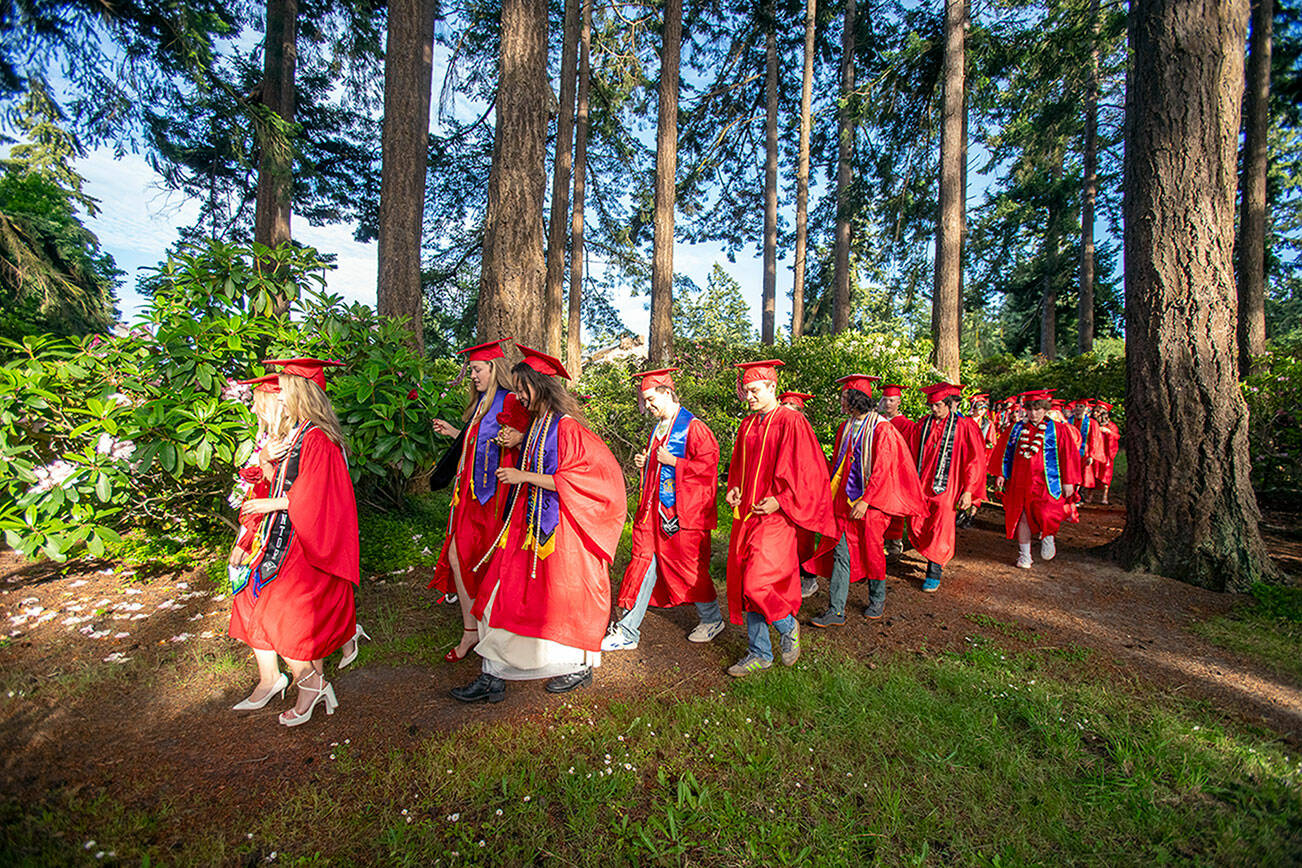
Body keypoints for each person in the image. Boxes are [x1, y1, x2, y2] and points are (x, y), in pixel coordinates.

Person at [452, 345, 627, 702]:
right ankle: (494, 673)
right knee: (501, 593)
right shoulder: (537, 425)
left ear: (540, 386)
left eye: (522, 388)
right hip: (526, 525)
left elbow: (589, 479)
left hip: (559, 531)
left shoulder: (568, 428)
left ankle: (574, 666)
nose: (517, 395)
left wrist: (523, 476)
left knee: (558, 598)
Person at [232, 358, 361, 726]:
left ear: (301, 393)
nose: (278, 395)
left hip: (301, 541)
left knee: (284, 616)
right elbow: (286, 482)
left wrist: (272, 501)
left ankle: (312, 683)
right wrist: (266, 463)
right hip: (284, 536)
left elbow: (320, 495)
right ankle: (309, 684)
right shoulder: (302, 433)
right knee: (285, 614)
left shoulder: (318, 437)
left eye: (285, 388)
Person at [724, 360, 835, 676]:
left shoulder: (792, 421)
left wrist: (782, 500)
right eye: (746, 391)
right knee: (747, 584)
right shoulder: (748, 424)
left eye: (755, 390)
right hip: (746, 515)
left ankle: (788, 625)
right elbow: (739, 466)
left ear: (772, 387)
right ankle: (760, 652)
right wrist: (734, 487)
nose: (749, 397)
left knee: (757, 582)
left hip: (776, 519)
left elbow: (809, 472)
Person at [603, 368, 724, 652]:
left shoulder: (694, 428)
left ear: (667, 393)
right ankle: (628, 630)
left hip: (682, 516)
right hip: (653, 514)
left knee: (688, 570)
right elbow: (661, 465)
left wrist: (674, 462)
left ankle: (712, 618)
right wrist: (648, 463)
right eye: (644, 401)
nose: (647, 406)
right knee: (642, 562)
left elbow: (708, 470)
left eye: (650, 399)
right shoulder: (659, 428)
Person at [428, 338, 521, 663]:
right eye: (471, 371)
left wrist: (517, 438)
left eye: (477, 370)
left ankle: (493, 629)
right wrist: (457, 433)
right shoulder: (479, 403)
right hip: (468, 497)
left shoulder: (511, 401)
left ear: (493, 369)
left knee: (486, 560)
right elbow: (478, 445)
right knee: (457, 557)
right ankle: (471, 630)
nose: (473, 376)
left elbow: (520, 444)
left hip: (496, 498)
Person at [806, 375, 924, 625]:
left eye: (843, 397)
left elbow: (883, 470)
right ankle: (835, 610)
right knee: (840, 552)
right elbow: (839, 463)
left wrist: (866, 501)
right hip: (843, 503)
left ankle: (877, 597)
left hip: (871, 506)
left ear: (855, 400)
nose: (841, 401)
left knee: (872, 551)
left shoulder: (882, 429)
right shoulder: (845, 427)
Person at [988, 389, 1083, 568]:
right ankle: (1025, 556)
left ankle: (1048, 536)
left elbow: (1068, 455)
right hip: (1020, 480)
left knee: (1047, 512)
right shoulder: (1016, 429)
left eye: (1038, 409)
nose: (1034, 413)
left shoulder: (1058, 429)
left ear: (1045, 409)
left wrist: (1068, 480)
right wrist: (1001, 473)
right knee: (1021, 516)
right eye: (1030, 409)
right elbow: (1004, 452)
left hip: (1047, 482)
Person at [907, 383, 987, 592]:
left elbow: (975, 460)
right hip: (921, 482)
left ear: (950, 405)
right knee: (917, 522)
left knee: (941, 524)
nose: (934, 409)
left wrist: (968, 490)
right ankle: (931, 555)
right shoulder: (923, 424)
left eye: (938, 405)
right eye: (931, 405)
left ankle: (934, 571)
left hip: (948, 484)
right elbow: (911, 452)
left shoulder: (965, 425)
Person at [778, 390, 821, 597]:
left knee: (803, 540)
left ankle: (809, 578)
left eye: (791, 410)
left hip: (802, 494)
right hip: (782, 495)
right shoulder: (778, 429)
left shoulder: (804, 432)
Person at [878, 384, 914, 558]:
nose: (888, 403)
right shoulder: (878, 420)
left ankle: (894, 544)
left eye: (891, 400)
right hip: (879, 472)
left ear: (899, 402)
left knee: (895, 508)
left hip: (897, 473)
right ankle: (879, 543)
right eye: (885, 400)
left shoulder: (906, 424)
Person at [1069, 400, 1106, 499]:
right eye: (1076, 406)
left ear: (1086, 409)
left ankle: (1079, 494)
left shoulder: (1092, 423)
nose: (1078, 409)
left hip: (1084, 453)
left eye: (1081, 406)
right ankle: (1071, 495)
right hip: (1070, 453)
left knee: (1082, 475)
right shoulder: (1068, 421)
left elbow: (1095, 439)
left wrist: (1091, 455)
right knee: (1070, 473)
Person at [1093, 401, 1121, 504]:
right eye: (1095, 411)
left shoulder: (1111, 425)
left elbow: (1117, 436)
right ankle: (1090, 495)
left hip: (1106, 453)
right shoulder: (1093, 423)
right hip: (1096, 452)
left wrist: (1108, 432)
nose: (1095, 413)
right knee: (1093, 473)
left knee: (1106, 474)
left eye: (1097, 411)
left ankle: (1104, 497)